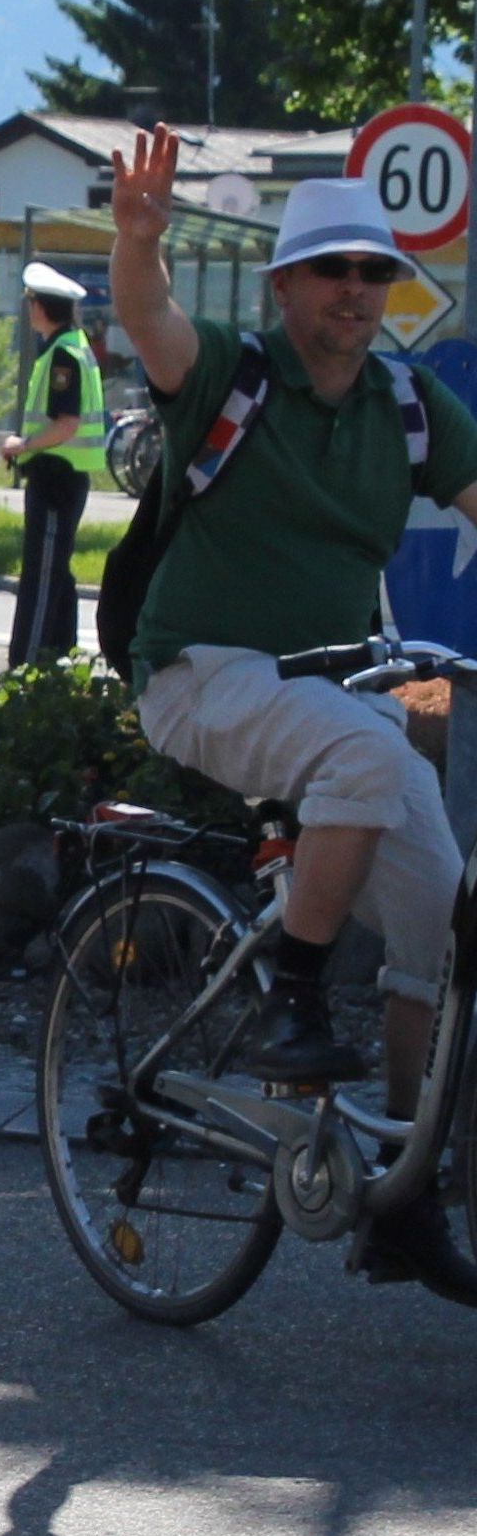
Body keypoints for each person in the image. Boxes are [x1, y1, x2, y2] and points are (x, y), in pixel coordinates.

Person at [112, 130, 477, 1268]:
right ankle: (298, 999)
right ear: (286, 285)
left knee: (443, 915)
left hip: (328, 688)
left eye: (378, 274)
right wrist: (138, 241)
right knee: (374, 764)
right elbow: (150, 321)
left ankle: (406, 1191)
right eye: (337, 271)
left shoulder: (409, 406)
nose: (362, 292)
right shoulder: (235, 373)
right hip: (199, 673)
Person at [0, 262, 106, 666]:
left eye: (31, 304)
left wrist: (22, 445)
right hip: (65, 476)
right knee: (56, 574)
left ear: (40, 308)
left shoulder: (63, 355)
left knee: (41, 578)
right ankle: (60, 662)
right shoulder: (73, 346)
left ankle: (27, 669)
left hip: (55, 475)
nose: (29, 312)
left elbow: (66, 423)